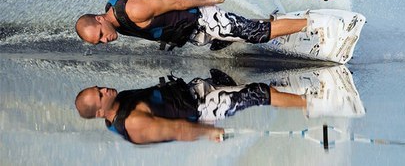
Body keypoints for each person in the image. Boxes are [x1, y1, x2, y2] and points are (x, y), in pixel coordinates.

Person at [74, 71, 308, 144]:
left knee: (252, 88)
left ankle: (291, 95)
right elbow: (179, 131)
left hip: (193, 91)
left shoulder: (119, 101)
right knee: (259, 94)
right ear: (99, 113)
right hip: (203, 109)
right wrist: (210, 132)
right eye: (100, 94)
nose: (105, 89)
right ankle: (311, 104)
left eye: (100, 87)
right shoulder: (133, 123)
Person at [75, 0, 308, 50]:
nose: (105, 40)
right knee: (232, 44)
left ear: (99, 19)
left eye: (101, 35)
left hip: (201, 18)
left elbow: (176, 2)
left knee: (252, 33)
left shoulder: (134, 9)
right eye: (99, 43)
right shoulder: (115, 20)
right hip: (195, 31)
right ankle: (278, 24)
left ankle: (312, 24)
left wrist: (209, 1)